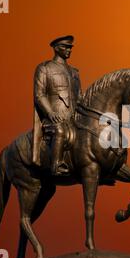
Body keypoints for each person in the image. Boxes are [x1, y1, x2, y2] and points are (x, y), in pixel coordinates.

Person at [32, 35, 82, 176]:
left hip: (73, 118)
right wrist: (50, 113)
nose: (68, 50)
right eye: (65, 47)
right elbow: (39, 95)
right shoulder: (44, 68)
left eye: (70, 47)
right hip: (54, 119)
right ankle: (56, 165)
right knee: (59, 131)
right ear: (55, 48)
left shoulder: (74, 72)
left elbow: (80, 98)